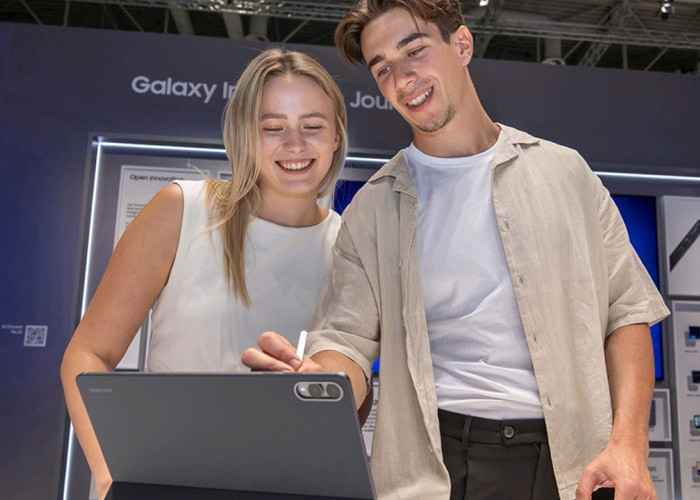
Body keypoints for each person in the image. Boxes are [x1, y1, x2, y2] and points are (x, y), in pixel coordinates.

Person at [241, 2, 670, 499]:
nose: (403, 80)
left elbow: (626, 313)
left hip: (573, 464)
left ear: (462, 44)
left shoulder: (565, 173)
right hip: (435, 468)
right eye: (383, 69)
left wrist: (629, 444)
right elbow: (347, 338)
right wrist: (325, 381)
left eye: (414, 51)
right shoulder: (373, 207)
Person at [60, 47, 348, 499]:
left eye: (312, 126)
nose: (295, 144)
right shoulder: (183, 209)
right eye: (272, 127)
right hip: (167, 479)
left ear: (336, 137)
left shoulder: (348, 246)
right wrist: (109, 472)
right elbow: (87, 354)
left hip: (289, 484)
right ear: (244, 135)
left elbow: (352, 395)